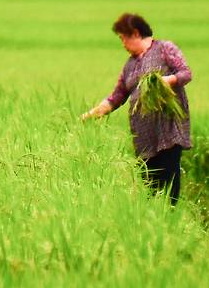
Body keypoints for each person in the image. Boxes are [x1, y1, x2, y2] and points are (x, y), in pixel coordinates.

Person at [81, 13, 192, 205]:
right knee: (150, 190)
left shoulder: (165, 48)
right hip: (143, 137)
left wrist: (167, 81)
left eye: (123, 38)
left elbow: (185, 73)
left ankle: (170, 222)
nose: (122, 43)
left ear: (135, 33)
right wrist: (91, 114)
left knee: (168, 185)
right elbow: (117, 96)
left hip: (168, 131)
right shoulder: (130, 66)